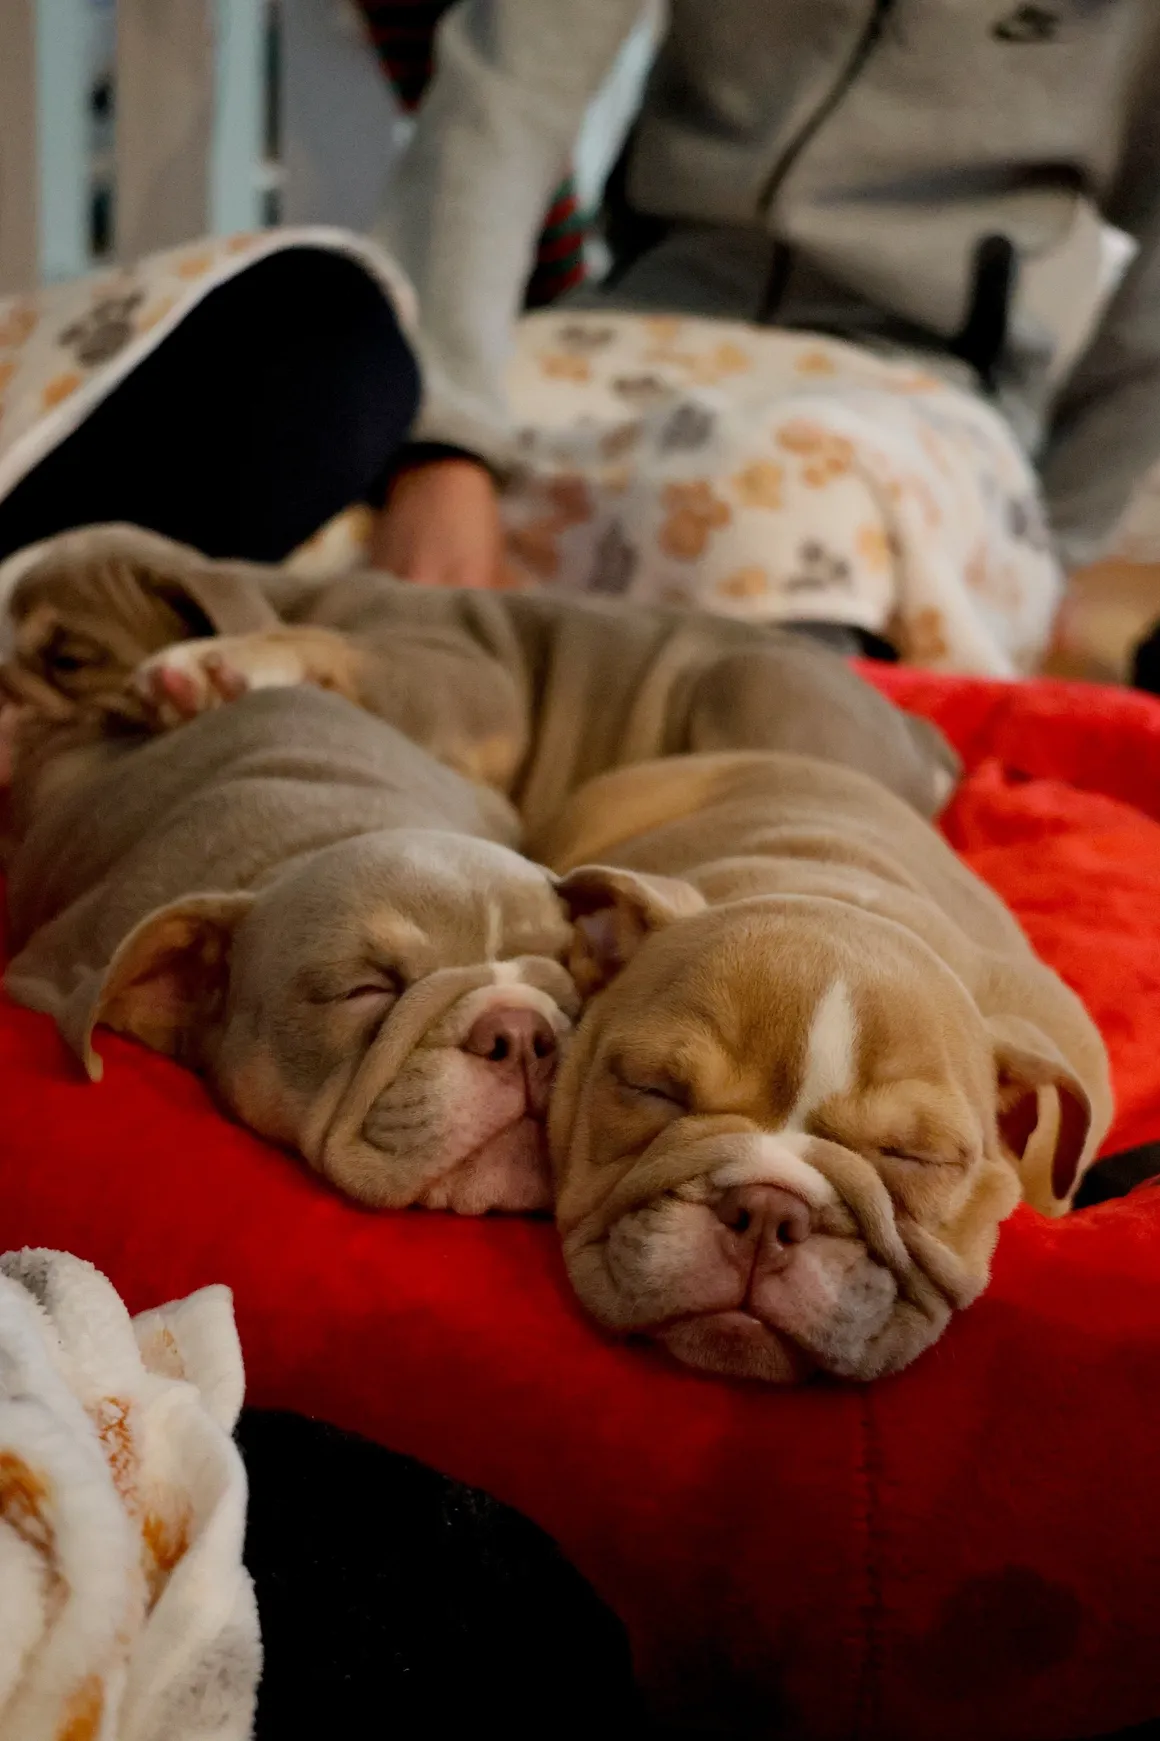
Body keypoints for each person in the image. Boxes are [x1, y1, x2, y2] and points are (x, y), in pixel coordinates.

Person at [369, 0, 1160, 667]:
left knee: (778, 516)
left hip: (926, 383)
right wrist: (443, 441)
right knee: (327, 464)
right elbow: (504, 97)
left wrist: (1058, 544)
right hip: (634, 326)